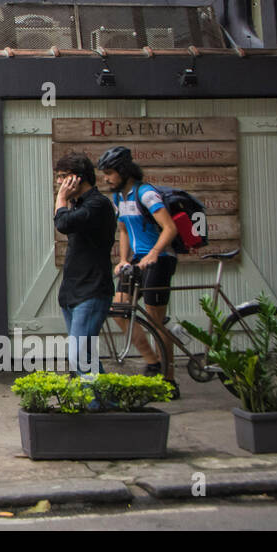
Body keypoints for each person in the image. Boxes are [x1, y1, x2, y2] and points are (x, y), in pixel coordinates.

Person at [97, 145, 180, 398]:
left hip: (160, 259)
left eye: (110, 172)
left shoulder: (146, 193)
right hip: (137, 260)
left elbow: (169, 228)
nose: (106, 178)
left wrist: (154, 254)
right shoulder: (119, 197)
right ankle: (152, 361)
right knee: (119, 309)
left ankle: (169, 380)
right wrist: (123, 259)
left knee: (156, 322)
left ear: (124, 171)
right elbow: (122, 230)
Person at [52, 152, 117, 378]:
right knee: (85, 355)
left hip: (92, 290)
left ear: (78, 178)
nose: (59, 182)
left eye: (63, 177)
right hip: (73, 292)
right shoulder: (80, 205)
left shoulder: (98, 205)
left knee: (79, 355)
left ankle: (95, 406)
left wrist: (61, 199)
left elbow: (63, 223)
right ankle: (103, 402)